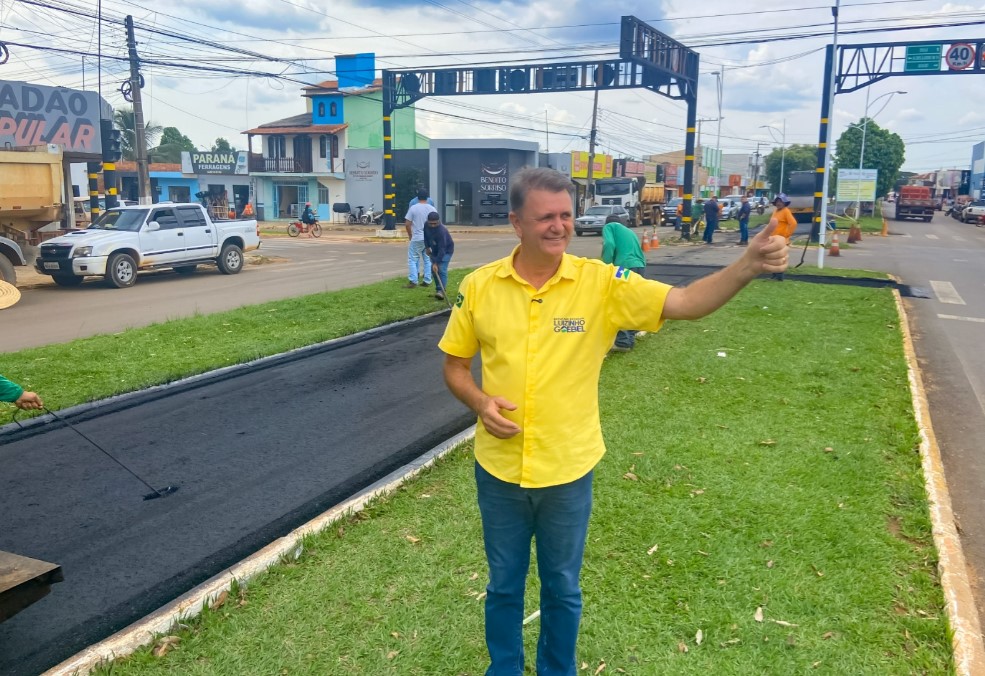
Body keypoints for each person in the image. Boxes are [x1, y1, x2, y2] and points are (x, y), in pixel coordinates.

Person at [438, 167, 788, 675]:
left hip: (569, 469)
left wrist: (746, 265)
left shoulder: (600, 283)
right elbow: (453, 365)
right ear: (516, 222)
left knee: (562, 587)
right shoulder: (480, 286)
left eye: (565, 215)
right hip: (498, 471)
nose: (559, 227)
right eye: (545, 218)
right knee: (504, 585)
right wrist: (479, 402)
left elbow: (685, 303)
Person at [600, 215, 647, 351]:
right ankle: (631, 334)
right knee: (632, 300)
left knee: (619, 300)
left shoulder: (609, 227)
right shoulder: (629, 231)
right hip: (639, 267)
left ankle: (623, 341)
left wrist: (606, 265)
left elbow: (609, 244)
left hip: (624, 268)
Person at [403, 189, 434, 288]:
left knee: (413, 259)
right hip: (429, 238)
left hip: (417, 237)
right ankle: (427, 280)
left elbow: (407, 224)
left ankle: (413, 281)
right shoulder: (432, 209)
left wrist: (410, 235)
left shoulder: (413, 208)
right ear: (427, 197)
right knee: (427, 259)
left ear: (417, 197)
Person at [423, 211, 455, 300]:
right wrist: (427, 247)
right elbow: (425, 236)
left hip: (446, 251)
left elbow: (442, 249)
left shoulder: (442, 231)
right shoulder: (426, 225)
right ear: (428, 221)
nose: (433, 225)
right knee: (433, 271)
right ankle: (438, 289)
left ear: (438, 221)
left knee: (441, 269)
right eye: (431, 223)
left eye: (435, 223)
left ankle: (441, 291)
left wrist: (436, 263)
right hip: (434, 249)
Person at [769, 193, 798, 281]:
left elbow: (793, 223)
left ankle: (779, 276)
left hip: (781, 240)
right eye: (777, 201)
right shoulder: (775, 211)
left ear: (784, 203)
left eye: (781, 201)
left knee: (780, 258)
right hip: (773, 239)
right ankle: (774, 274)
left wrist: (786, 235)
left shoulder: (786, 211)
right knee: (773, 257)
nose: (779, 203)